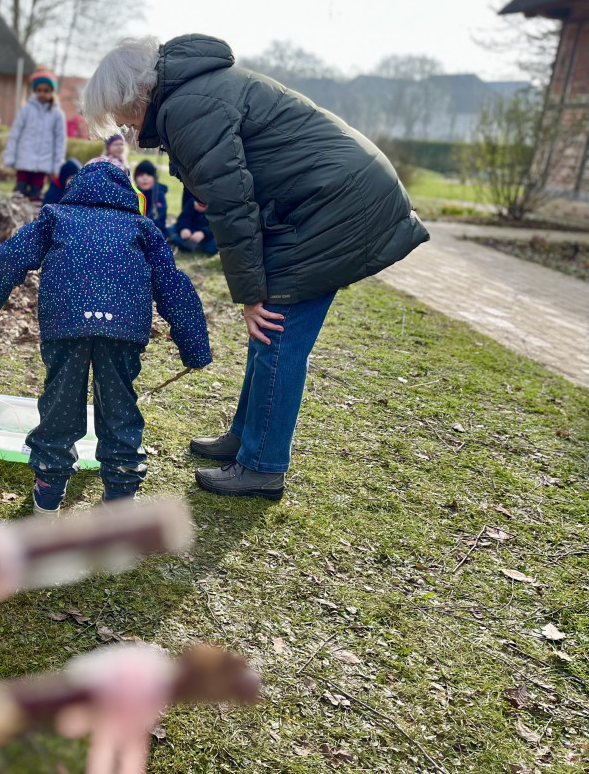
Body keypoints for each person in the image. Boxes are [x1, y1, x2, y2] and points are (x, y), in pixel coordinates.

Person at [82, 35, 428, 502]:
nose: (124, 126)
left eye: (123, 114)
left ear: (138, 92)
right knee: (269, 335)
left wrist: (248, 295)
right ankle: (245, 439)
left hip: (336, 203)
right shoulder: (193, 93)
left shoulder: (188, 106)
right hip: (322, 197)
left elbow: (232, 206)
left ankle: (262, 466)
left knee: (275, 329)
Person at [0, 160, 212, 515]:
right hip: (123, 328)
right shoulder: (143, 226)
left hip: (67, 323)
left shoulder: (56, 217)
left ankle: (48, 494)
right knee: (119, 409)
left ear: (76, 186)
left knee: (60, 405)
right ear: (128, 192)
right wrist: (195, 348)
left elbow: (12, 258)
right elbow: (174, 286)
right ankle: (120, 497)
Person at [4, 69, 66, 203]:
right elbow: (15, 133)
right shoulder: (26, 110)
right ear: (34, 91)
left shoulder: (57, 114)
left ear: (52, 92)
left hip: (44, 161)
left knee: (36, 195)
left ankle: (33, 219)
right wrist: (10, 156)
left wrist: (57, 164)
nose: (42, 94)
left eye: (46, 90)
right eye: (39, 90)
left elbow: (60, 140)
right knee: (19, 193)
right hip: (24, 158)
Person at [168, 181, 217, 256]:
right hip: (191, 230)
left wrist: (203, 233)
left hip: (207, 236)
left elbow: (217, 225)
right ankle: (183, 242)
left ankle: (193, 246)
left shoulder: (216, 208)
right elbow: (183, 218)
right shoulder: (191, 202)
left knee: (213, 245)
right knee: (171, 229)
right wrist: (184, 228)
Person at [133, 160, 167, 236]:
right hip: (136, 230)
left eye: (149, 175)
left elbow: (158, 214)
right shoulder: (133, 194)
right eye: (141, 175)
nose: (145, 178)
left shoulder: (159, 194)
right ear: (135, 179)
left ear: (155, 178)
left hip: (156, 230)